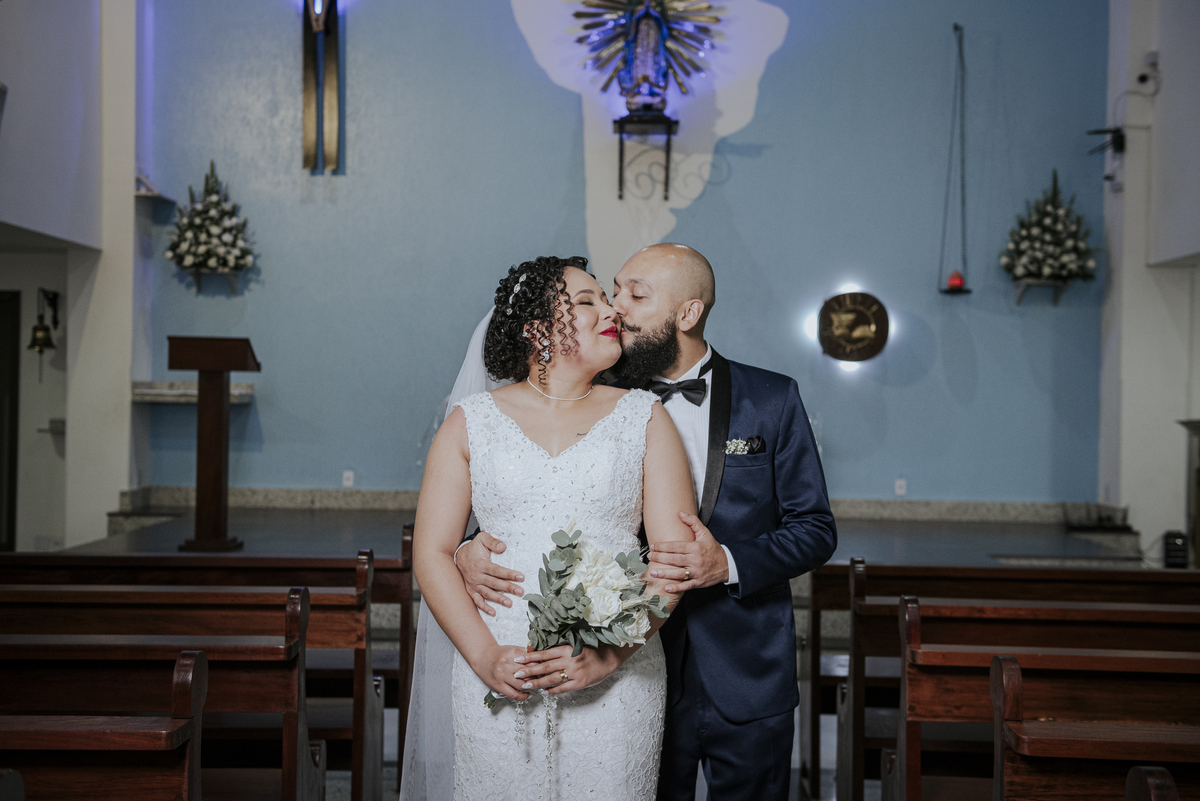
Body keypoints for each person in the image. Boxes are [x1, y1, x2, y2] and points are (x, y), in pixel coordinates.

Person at [458, 244, 837, 801]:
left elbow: (815, 529)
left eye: (636, 295)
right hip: (633, 666)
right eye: (612, 291)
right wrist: (469, 546)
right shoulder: (603, 393)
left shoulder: (771, 398)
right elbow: (543, 490)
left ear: (687, 314)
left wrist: (727, 562)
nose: (616, 307)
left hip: (746, 666)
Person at [407, 255, 699, 801]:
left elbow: (673, 559)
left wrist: (608, 657)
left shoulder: (645, 417)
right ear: (538, 330)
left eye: (606, 299)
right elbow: (432, 552)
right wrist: (485, 657)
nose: (611, 311)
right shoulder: (470, 422)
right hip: (498, 662)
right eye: (588, 301)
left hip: (620, 677)